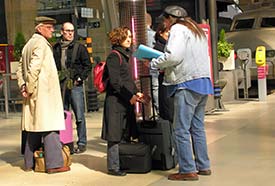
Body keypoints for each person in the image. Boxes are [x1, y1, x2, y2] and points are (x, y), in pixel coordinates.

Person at [150, 6, 213, 181]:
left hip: (187, 83)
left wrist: (154, 63)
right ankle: (203, 165)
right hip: (202, 82)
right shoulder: (196, 30)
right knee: (197, 127)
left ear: (170, 18)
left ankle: (187, 170)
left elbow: (174, 56)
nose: (164, 24)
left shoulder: (178, 29)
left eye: (165, 20)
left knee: (180, 129)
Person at [16, 16, 70, 173]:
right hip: (43, 94)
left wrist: (23, 87)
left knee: (33, 127)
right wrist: (30, 88)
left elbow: (20, 68)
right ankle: (54, 164)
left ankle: (29, 163)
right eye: (49, 27)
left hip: (33, 93)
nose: (53, 30)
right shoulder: (41, 44)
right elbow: (34, 68)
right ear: (39, 28)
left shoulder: (28, 44)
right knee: (50, 127)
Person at [101, 26, 144, 176]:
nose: (130, 40)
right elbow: (115, 82)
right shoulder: (114, 56)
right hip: (115, 102)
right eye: (127, 37)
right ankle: (113, 166)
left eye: (131, 37)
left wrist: (136, 92)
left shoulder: (125, 55)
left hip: (124, 101)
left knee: (124, 132)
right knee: (114, 135)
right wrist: (130, 96)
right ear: (119, 38)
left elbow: (127, 79)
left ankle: (123, 162)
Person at [53, 22, 92, 154]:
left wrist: (80, 78)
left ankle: (82, 142)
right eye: (67, 31)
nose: (70, 33)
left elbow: (88, 66)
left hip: (75, 85)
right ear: (62, 32)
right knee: (63, 114)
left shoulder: (79, 48)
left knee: (79, 115)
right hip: (61, 85)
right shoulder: (56, 48)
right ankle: (65, 140)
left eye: (72, 31)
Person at [153, 18, 174, 122]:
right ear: (160, 33)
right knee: (168, 108)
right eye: (167, 31)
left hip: (169, 78)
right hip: (165, 79)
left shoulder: (170, 44)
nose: (169, 34)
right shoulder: (160, 46)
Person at [146, 12, 159, 115]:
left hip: (140, 68)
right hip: (154, 66)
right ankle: (158, 110)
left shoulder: (135, 36)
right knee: (155, 88)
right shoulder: (154, 35)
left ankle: (145, 111)